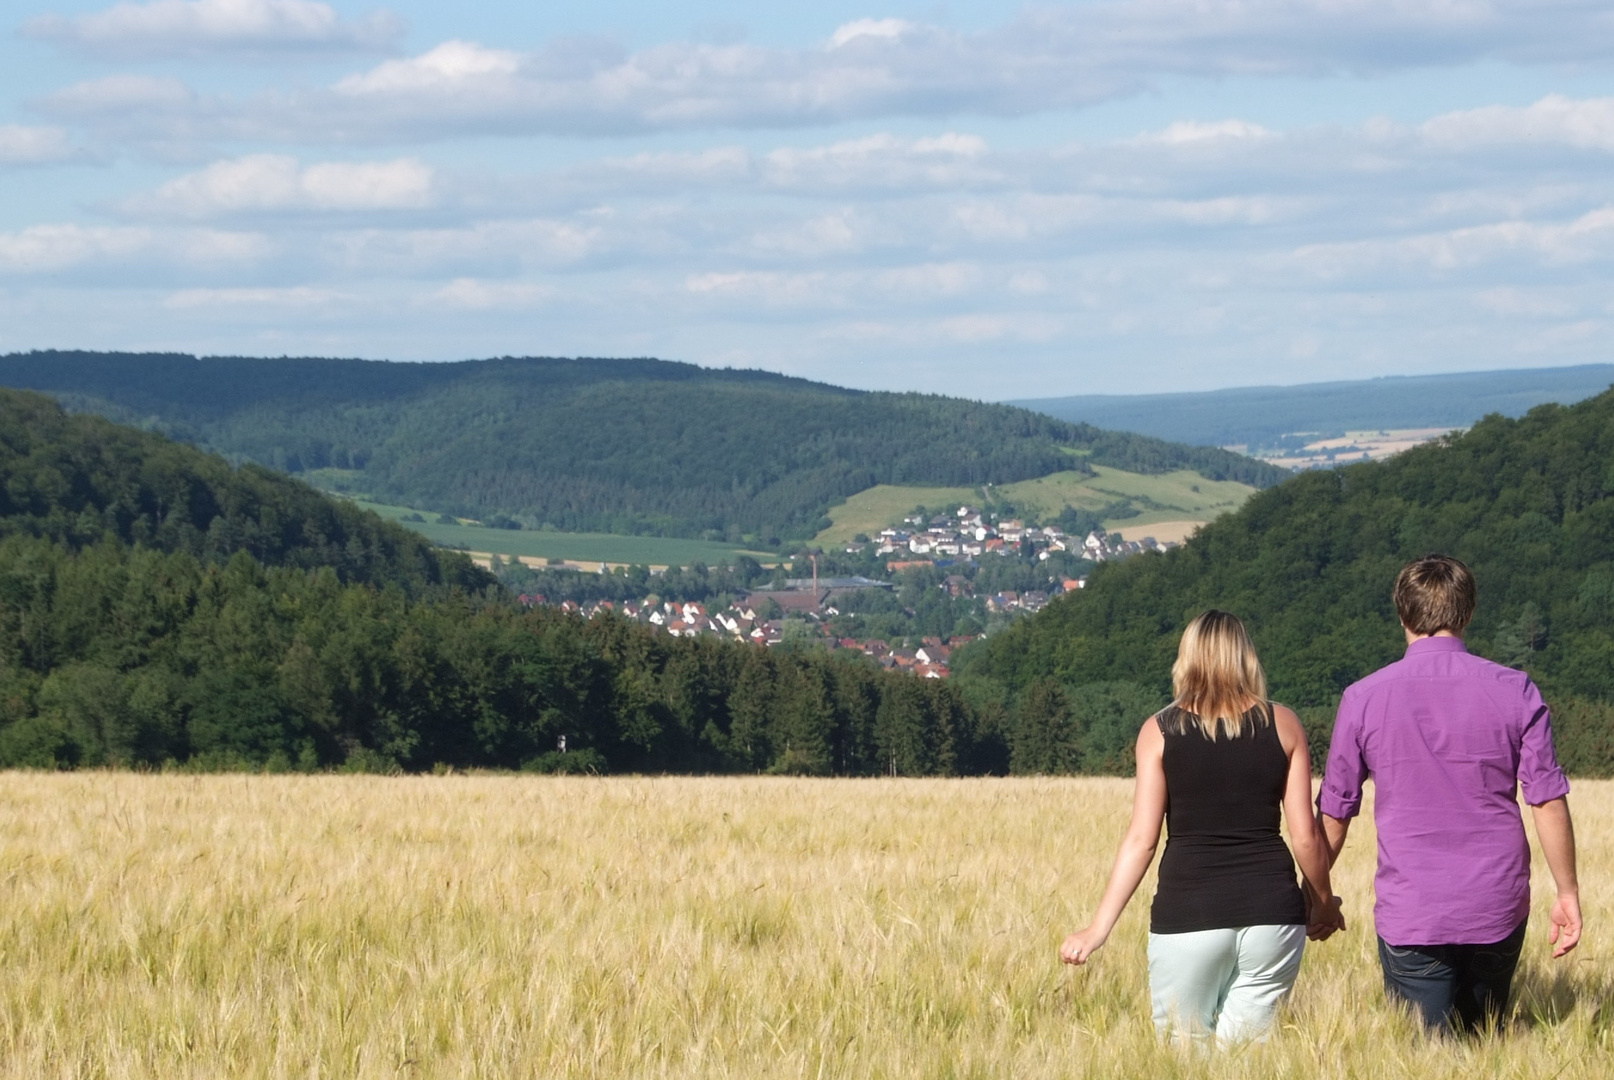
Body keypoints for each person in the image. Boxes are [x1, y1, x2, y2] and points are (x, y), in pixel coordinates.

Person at [1317, 554, 1581, 1035]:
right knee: (1485, 1042)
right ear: (1468, 613)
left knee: (1423, 1053)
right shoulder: (1516, 690)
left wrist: (1315, 892)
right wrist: (1567, 892)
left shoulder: (1363, 697)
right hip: (1496, 901)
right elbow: (1545, 799)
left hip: (1411, 908)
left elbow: (1336, 810)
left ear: (1402, 614)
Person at [1060, 610, 1343, 1043]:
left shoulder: (1158, 732)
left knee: (1185, 1055)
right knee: (1248, 1061)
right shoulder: (1284, 724)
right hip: (1273, 916)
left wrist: (1098, 929)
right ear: (1245, 656)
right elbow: (1305, 835)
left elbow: (1142, 840)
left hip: (1188, 915)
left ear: (1186, 658)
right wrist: (1322, 903)